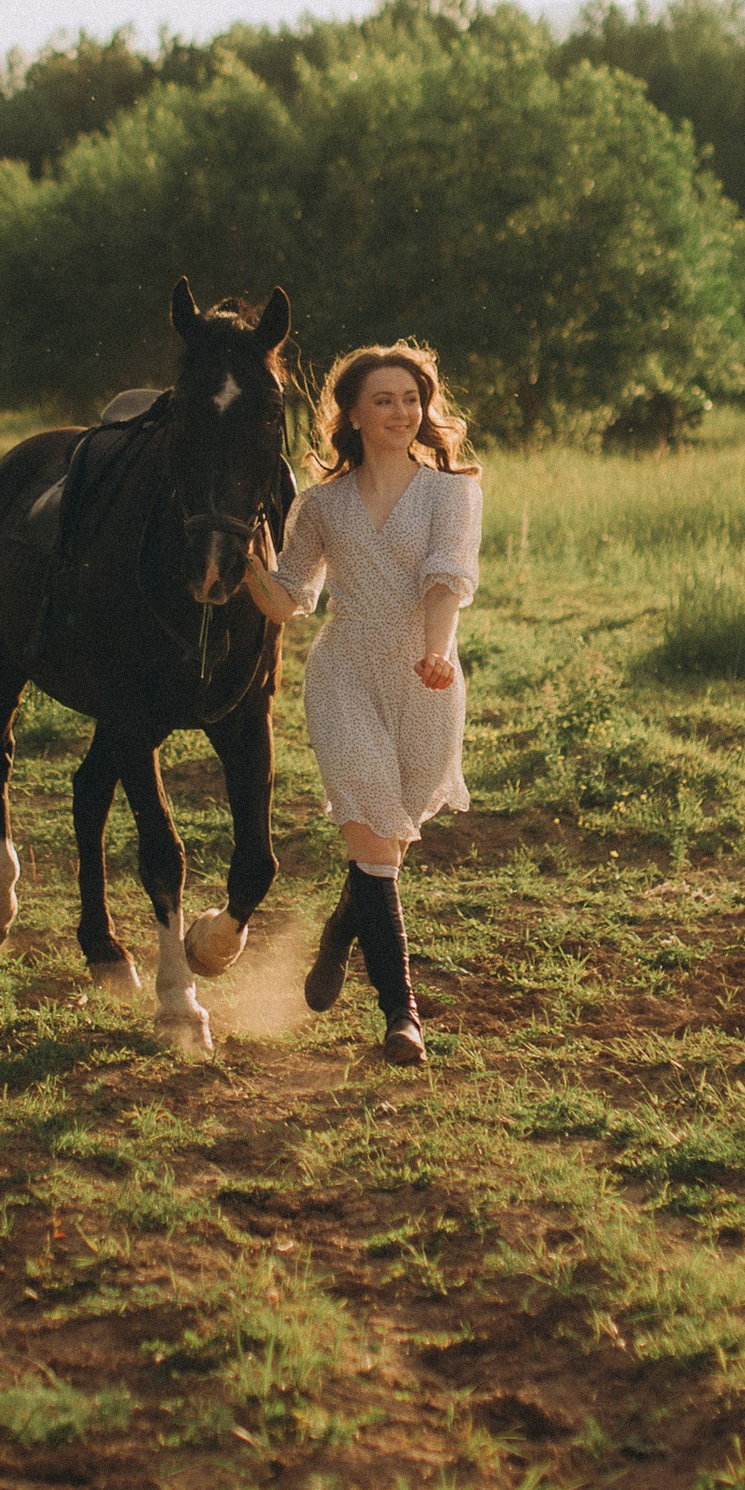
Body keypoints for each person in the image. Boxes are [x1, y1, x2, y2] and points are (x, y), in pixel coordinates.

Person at [242, 340, 482, 1066]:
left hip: (424, 674)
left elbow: (447, 581)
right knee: (374, 832)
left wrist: (437, 651)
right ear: (352, 412)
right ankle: (401, 1014)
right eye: (384, 400)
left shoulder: (454, 492)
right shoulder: (320, 506)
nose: (402, 413)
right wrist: (248, 557)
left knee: (388, 845)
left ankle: (343, 929)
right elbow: (287, 601)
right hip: (344, 672)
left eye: (412, 399)